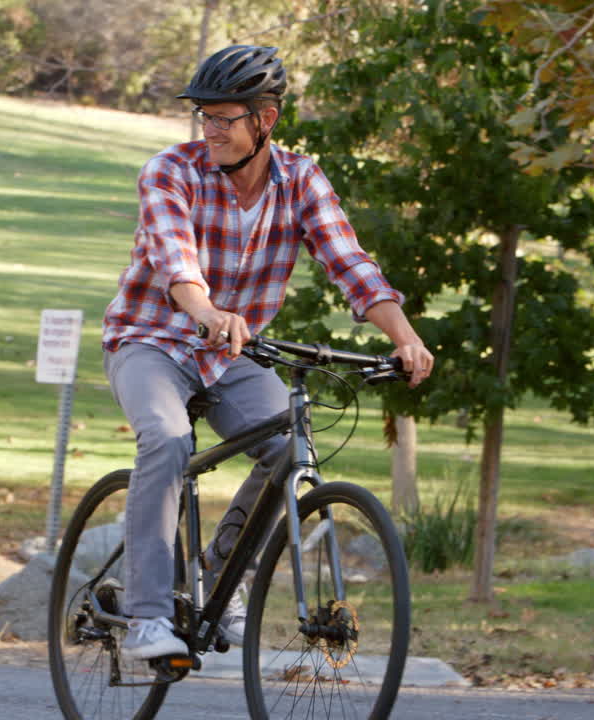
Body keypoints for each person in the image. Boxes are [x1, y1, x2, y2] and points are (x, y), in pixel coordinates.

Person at [101, 45, 434, 660]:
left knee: (292, 449)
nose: (211, 131)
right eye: (205, 117)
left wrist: (404, 337)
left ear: (266, 120)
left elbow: (350, 264)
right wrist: (204, 313)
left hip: (233, 355)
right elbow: (175, 257)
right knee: (169, 441)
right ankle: (147, 616)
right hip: (150, 340)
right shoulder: (170, 172)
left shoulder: (300, 180)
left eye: (224, 119)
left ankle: (216, 575)